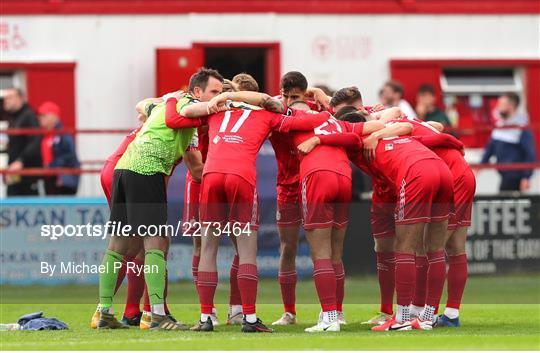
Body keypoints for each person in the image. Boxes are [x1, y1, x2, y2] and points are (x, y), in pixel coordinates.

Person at [170, 90, 332, 333]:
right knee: (246, 249)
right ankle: (249, 318)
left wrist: (175, 100)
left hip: (212, 175)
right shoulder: (267, 115)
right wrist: (324, 104)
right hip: (240, 177)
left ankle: (206, 317)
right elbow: (315, 120)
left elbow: (179, 116)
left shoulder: (218, 111)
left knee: (208, 247)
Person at [95, 68, 224, 331]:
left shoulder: (167, 103)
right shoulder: (185, 104)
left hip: (124, 168)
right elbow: (186, 119)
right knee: (156, 243)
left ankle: (104, 312)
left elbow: (144, 104)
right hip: (147, 170)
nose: (217, 99)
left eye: (220, 93)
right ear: (197, 92)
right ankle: (155, 315)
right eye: (214, 92)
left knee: (119, 245)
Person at [481, 93, 536, 192]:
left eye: (501, 104)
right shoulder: (500, 125)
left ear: (511, 106)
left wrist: (526, 177)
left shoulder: (521, 127)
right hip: (504, 175)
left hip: (516, 177)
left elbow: (530, 154)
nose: (498, 107)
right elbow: (490, 149)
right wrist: (479, 167)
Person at [3, 88, 42, 196]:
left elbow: (35, 141)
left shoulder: (28, 115)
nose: (6, 100)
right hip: (15, 171)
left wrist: (21, 160)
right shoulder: (13, 118)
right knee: (12, 201)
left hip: (27, 172)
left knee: (27, 204)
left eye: (10, 97)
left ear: (20, 98)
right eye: (5, 98)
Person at [37, 101, 80, 195]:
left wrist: (52, 166)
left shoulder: (62, 135)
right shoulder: (46, 135)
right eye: (40, 116)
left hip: (62, 181)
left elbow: (69, 156)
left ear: (54, 116)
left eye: (44, 116)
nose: (40, 119)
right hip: (51, 178)